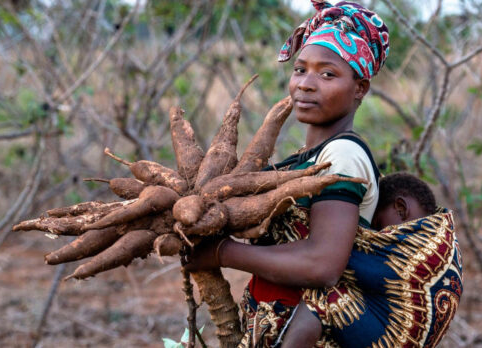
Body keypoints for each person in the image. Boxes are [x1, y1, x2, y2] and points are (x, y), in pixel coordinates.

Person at [186, 2, 462, 347]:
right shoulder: (301, 161)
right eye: (300, 70)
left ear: (360, 88)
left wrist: (221, 252)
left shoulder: (343, 156)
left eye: (327, 74)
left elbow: (322, 264)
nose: (306, 84)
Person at [280, 172, 448, 347]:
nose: (373, 234)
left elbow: (328, 258)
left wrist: (248, 253)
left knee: (327, 290)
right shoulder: (441, 234)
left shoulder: (408, 251)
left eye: (376, 224)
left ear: (400, 208)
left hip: (392, 340)